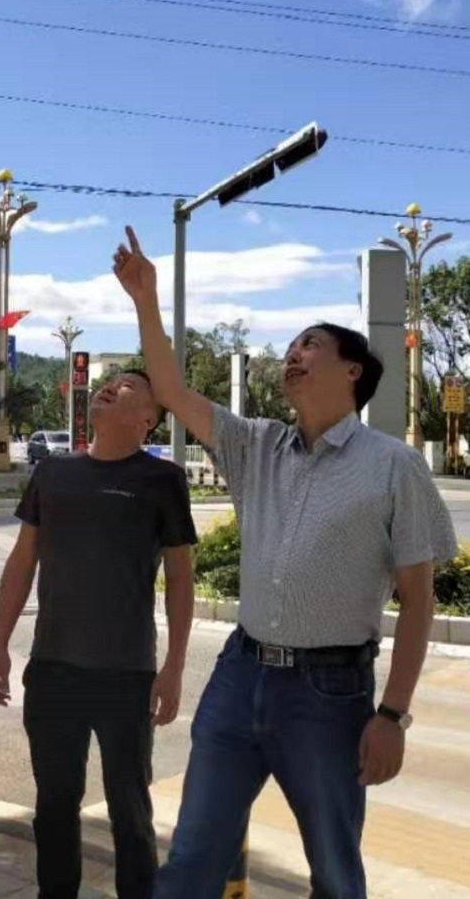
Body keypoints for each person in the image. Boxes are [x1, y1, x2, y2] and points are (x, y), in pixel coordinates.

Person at [112, 225, 457, 899]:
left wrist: (392, 715)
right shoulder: (256, 445)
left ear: (353, 371)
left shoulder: (394, 466)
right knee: (190, 863)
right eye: (292, 346)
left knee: (334, 872)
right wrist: (145, 300)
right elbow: (172, 390)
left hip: (329, 695)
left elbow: (420, 600)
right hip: (239, 675)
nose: (293, 354)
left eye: (311, 344)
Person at [0, 371, 197, 899]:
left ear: (147, 419)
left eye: (128, 386)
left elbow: (180, 577)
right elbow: (22, 561)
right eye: (110, 381)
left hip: (126, 675)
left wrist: (173, 667)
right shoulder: (53, 473)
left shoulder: (162, 479)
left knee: (130, 809)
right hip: (53, 669)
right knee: (55, 806)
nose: (110, 386)